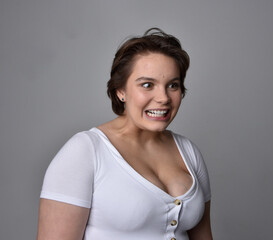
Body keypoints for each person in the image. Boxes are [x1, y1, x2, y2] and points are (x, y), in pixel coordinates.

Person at [37, 28, 213, 240]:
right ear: (120, 90)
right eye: (147, 85)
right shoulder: (85, 152)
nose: (163, 98)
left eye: (173, 85)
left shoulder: (188, 152)